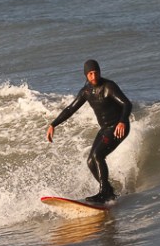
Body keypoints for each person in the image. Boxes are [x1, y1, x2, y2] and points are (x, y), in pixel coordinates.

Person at [46, 59, 132, 203]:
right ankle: (109, 191)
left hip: (118, 127)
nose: (94, 76)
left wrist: (122, 121)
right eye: (90, 73)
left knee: (98, 155)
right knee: (91, 161)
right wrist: (53, 124)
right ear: (86, 75)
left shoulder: (108, 87)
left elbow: (126, 104)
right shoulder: (86, 91)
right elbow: (70, 109)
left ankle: (104, 193)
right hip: (105, 129)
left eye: (96, 72)